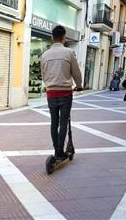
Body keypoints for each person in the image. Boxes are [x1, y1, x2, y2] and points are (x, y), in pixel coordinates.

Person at [41, 25, 82, 161]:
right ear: (64, 38)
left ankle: (56, 149)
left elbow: (43, 74)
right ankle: (60, 151)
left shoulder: (44, 55)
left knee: (54, 121)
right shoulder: (69, 53)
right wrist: (80, 85)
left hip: (51, 93)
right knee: (63, 122)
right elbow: (76, 72)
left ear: (52, 38)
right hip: (65, 93)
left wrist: (48, 85)